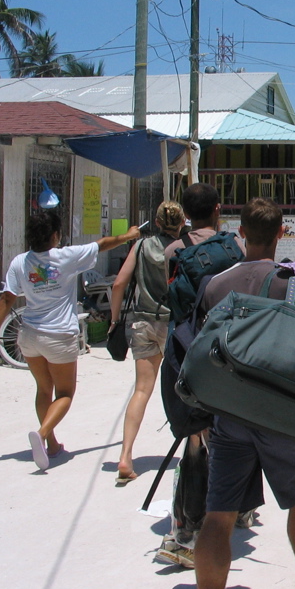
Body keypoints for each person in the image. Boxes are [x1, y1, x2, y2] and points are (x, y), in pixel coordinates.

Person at [194, 197, 295, 589]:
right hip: (286, 415)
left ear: (241, 234)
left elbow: (204, 352)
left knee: (218, 516)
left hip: (232, 413)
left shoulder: (218, 285)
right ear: (281, 233)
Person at [0, 210, 140, 471]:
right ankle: (44, 433)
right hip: (59, 336)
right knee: (65, 393)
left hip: (29, 335)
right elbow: (102, 244)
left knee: (43, 389)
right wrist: (128, 236)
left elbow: (7, 298)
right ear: (55, 235)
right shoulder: (66, 256)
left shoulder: (19, 262)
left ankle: (52, 445)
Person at [155, 183, 249, 569]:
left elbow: (175, 301)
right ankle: (240, 509)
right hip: (229, 350)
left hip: (188, 351)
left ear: (187, 214)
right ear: (217, 209)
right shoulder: (235, 248)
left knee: (195, 439)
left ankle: (189, 524)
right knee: (234, 432)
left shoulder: (173, 251)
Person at [110, 200, 186, 485]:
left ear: (155, 222)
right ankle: (194, 449)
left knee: (141, 390)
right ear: (181, 223)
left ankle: (126, 456)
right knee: (185, 388)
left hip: (142, 321)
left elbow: (119, 284)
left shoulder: (140, 247)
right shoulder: (181, 248)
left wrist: (115, 320)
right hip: (173, 323)